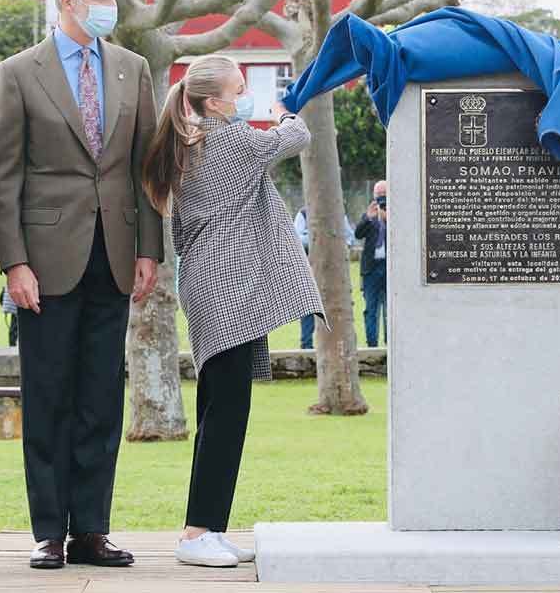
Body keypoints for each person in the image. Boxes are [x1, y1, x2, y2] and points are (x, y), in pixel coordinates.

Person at [0, 0, 163, 570]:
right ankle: (49, 532)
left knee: (100, 398)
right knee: (48, 394)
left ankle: (92, 528)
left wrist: (149, 248)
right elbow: (1, 175)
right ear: (68, 1)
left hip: (114, 254)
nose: (113, 5)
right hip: (45, 261)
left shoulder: (132, 68)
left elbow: (148, 164)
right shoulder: (18, 72)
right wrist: (14, 263)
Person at [141, 54, 325, 568]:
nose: (244, 98)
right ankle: (197, 531)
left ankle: (208, 528)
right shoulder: (227, 139)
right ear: (213, 100)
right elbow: (293, 138)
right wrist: (288, 109)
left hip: (214, 286)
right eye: (238, 89)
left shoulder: (191, 142)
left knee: (219, 411)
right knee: (226, 414)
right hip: (228, 288)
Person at [293, 206, 353, 350]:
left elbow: (349, 238)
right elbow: (296, 238)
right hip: (309, 270)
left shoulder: (338, 213)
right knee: (308, 309)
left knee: (333, 309)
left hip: (333, 272)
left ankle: (333, 347)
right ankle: (306, 346)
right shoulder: (303, 214)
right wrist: (321, 236)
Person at [355, 180, 388, 347]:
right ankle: (372, 344)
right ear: (374, 196)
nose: (382, 200)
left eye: (385, 195)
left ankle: (391, 344)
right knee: (371, 309)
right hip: (371, 268)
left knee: (391, 308)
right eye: (379, 196)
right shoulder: (369, 213)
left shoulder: (396, 213)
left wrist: (388, 220)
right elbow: (358, 234)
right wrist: (368, 218)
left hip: (390, 268)